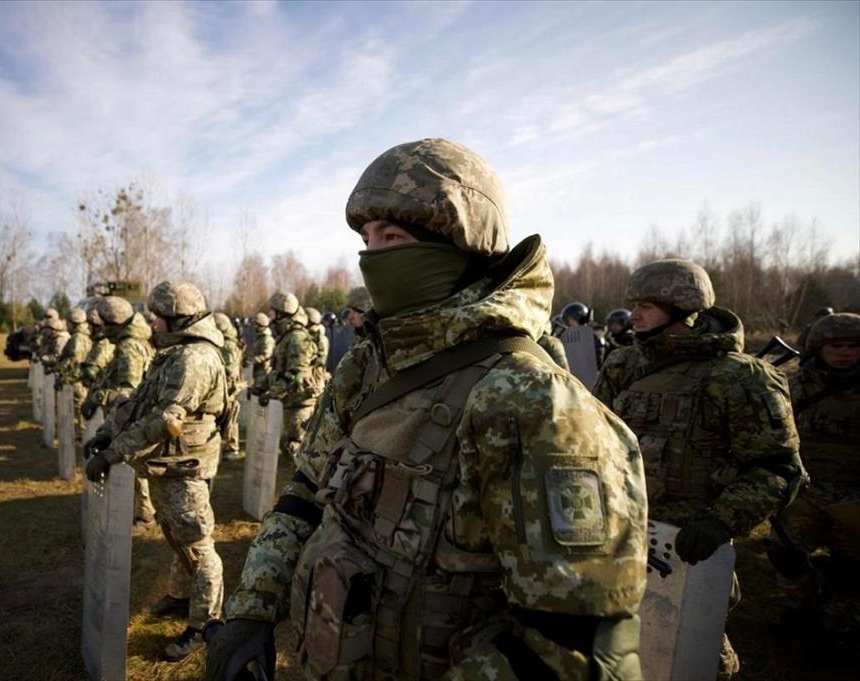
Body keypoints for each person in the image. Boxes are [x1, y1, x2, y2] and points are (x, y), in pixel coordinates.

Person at [207, 138, 647, 681]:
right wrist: (254, 606)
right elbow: (305, 491)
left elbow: (574, 651)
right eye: (366, 239)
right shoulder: (368, 366)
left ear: (463, 246)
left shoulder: (533, 404)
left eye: (392, 237)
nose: (373, 257)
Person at [594, 258, 804, 679]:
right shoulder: (623, 365)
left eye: (647, 306)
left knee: (693, 652)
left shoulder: (739, 378)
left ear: (683, 312)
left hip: (690, 546)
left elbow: (778, 468)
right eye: (634, 304)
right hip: (621, 536)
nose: (634, 315)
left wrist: (720, 521)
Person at [84, 281, 227, 661]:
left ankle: (205, 624)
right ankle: (182, 598)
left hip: (187, 468)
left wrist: (114, 453)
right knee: (176, 536)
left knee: (198, 545)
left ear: (178, 319)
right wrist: (105, 433)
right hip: (168, 466)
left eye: (158, 315)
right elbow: (139, 403)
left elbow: (164, 420)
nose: (150, 321)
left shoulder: (194, 359)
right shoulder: (174, 353)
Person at [769, 312, 860, 633]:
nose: (845, 352)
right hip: (802, 491)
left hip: (853, 498)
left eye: (853, 346)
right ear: (818, 347)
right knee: (786, 556)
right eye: (836, 345)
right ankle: (799, 608)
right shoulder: (793, 386)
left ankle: (840, 626)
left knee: (849, 570)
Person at [85, 297, 158, 533]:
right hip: (126, 416)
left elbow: (129, 392)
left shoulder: (130, 347)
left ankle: (145, 515)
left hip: (129, 417)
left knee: (133, 465)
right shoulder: (132, 341)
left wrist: (100, 397)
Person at [252, 292, 319, 458]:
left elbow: (295, 374)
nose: (270, 316)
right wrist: (261, 387)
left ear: (283, 313)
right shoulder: (287, 337)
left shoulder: (297, 338)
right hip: (291, 399)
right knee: (289, 443)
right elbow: (278, 370)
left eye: (272, 311)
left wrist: (271, 393)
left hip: (300, 401)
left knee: (297, 444)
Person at [54, 308, 94, 439]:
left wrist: (62, 370)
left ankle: (83, 435)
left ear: (73, 322)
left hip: (77, 379)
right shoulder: (86, 336)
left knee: (79, 407)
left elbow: (74, 359)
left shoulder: (78, 338)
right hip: (81, 377)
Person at [213, 312, 243, 462]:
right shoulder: (226, 342)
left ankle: (232, 447)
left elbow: (230, 370)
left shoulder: (227, 344)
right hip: (226, 385)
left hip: (229, 387)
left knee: (230, 417)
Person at [244, 312, 275, 389]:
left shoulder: (267, 339)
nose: (254, 327)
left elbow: (267, 355)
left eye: (256, 324)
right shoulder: (259, 338)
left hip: (265, 372)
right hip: (258, 372)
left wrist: (252, 360)